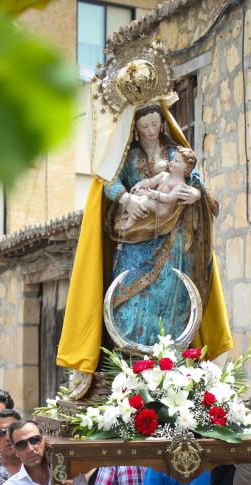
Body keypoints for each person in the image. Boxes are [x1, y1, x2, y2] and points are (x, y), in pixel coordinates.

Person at [97, 103, 217, 350]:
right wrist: (127, 199)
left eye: (155, 124)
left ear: (162, 123)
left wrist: (195, 194)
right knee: (127, 301)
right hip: (134, 239)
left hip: (172, 239)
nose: (151, 130)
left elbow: (197, 182)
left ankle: (166, 356)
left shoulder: (175, 153)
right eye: (144, 126)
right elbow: (107, 181)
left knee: (168, 296)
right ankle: (128, 356)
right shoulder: (126, 156)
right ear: (135, 128)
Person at [116, 146, 200, 230]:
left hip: (163, 210)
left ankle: (129, 224)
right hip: (156, 201)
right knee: (137, 193)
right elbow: (150, 182)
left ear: (186, 168)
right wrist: (139, 185)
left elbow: (168, 198)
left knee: (145, 201)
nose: (171, 162)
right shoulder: (164, 175)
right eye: (173, 159)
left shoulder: (180, 185)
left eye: (176, 161)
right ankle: (130, 215)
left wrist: (154, 194)